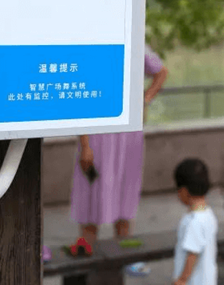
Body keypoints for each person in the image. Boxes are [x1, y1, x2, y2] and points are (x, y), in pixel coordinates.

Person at [70, 44, 169, 275]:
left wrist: (145, 99)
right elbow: (80, 97)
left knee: (126, 194)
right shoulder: (89, 46)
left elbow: (161, 72)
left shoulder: (135, 43)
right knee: (91, 195)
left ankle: (126, 257)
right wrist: (85, 145)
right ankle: (87, 258)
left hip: (128, 134)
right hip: (97, 134)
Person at [172, 158, 218, 285]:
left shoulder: (194, 221)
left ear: (183, 191)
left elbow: (192, 254)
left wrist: (182, 280)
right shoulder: (208, 214)